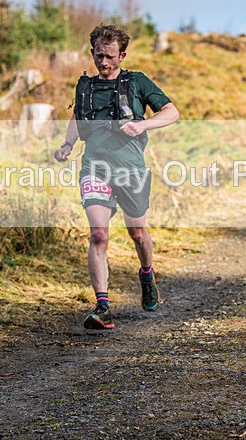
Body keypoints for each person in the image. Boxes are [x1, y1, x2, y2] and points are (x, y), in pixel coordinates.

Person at [55, 24, 179, 330]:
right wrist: (68, 143)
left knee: (137, 232)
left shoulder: (137, 82)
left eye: (110, 56)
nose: (104, 62)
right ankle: (103, 307)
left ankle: (147, 273)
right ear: (93, 53)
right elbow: (77, 116)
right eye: (99, 55)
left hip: (130, 169)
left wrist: (142, 125)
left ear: (122, 55)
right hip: (94, 167)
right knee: (98, 234)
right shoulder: (85, 86)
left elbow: (171, 112)